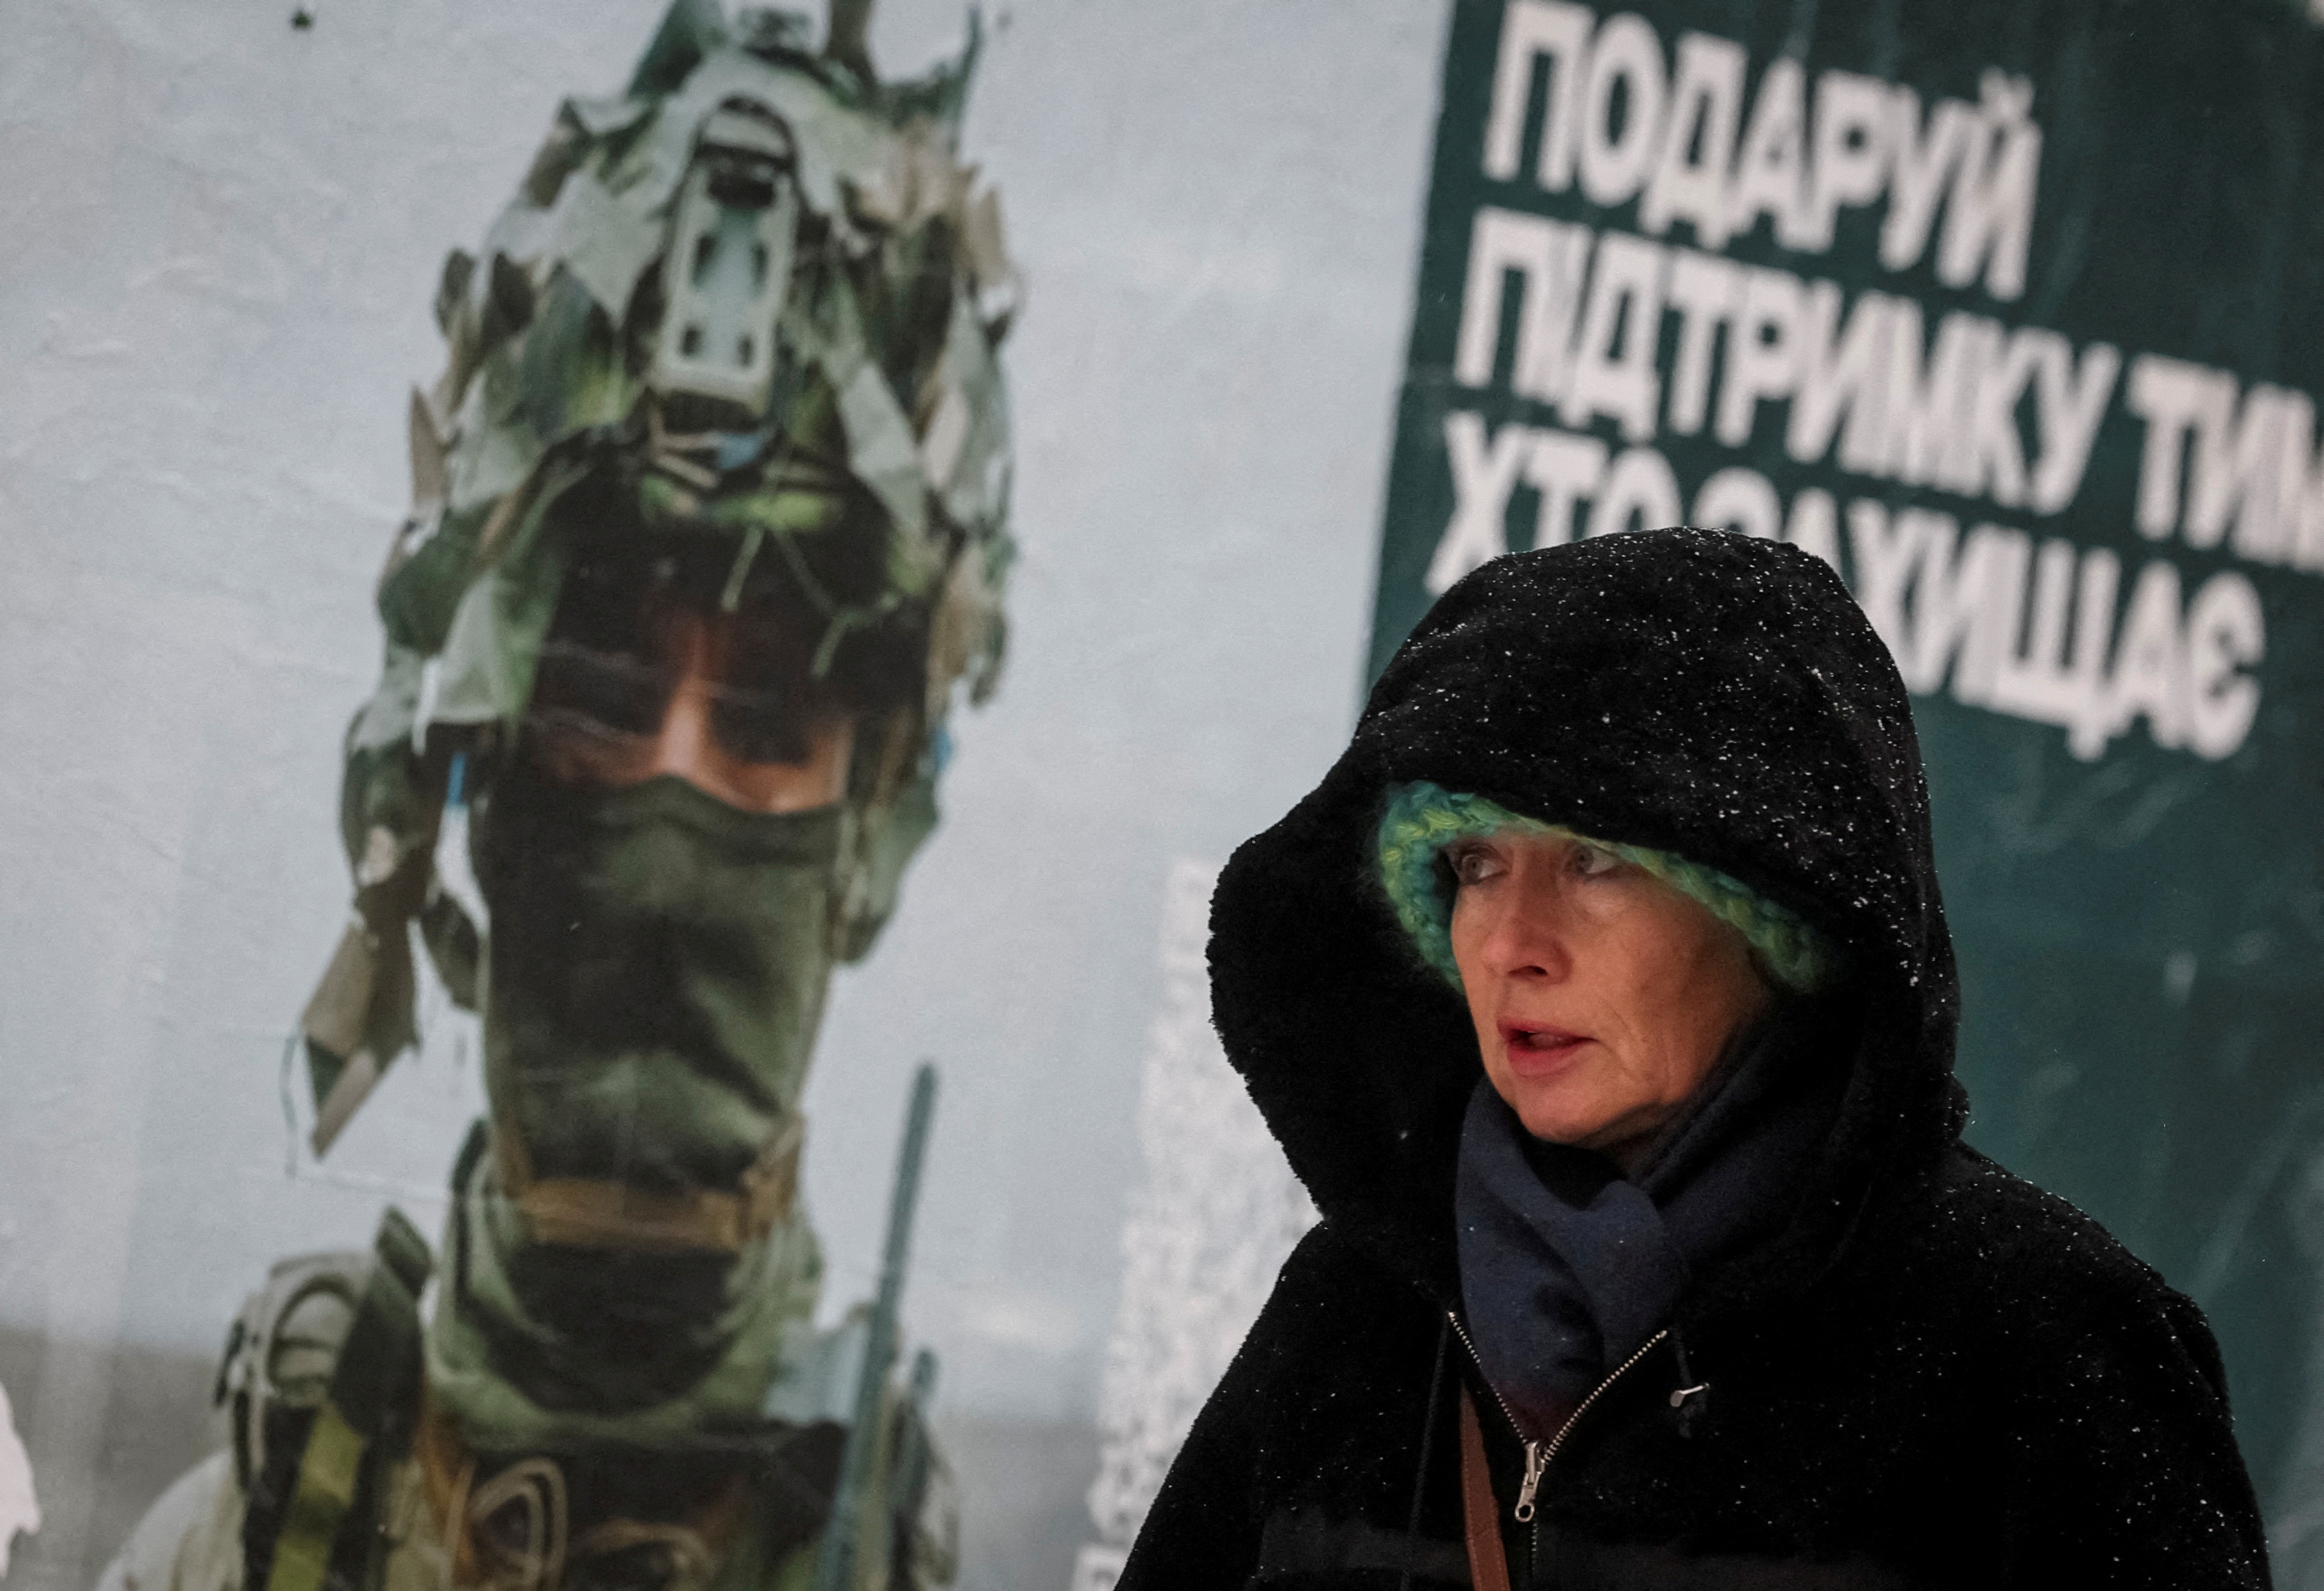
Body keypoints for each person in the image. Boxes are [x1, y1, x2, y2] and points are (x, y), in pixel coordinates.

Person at [99, 2, 1013, 1587]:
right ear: (477, 772)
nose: (668, 821)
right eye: (593, 698)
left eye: (766, 719)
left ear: (865, 832)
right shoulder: (249, 1543)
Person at [1120, 528, 2270, 1588]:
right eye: (1473, 862)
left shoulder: (2042, 1351)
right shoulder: (1357, 1310)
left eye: (1594, 865)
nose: (1513, 943)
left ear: (1778, 920)